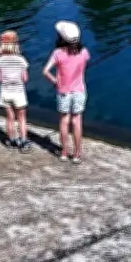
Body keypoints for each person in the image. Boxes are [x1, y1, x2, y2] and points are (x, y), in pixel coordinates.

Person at [43, 20, 90, 164]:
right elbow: (82, 66)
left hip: (63, 92)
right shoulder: (84, 52)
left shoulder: (58, 53)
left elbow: (45, 71)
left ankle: (63, 152)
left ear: (62, 38)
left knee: (64, 121)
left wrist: (55, 81)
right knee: (77, 121)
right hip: (79, 91)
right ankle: (77, 154)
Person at [0, 30, 31, 152]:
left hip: (5, 93)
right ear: (16, 44)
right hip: (19, 93)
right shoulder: (21, 60)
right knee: (21, 118)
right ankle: (24, 141)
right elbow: (25, 79)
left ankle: (11, 140)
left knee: (9, 118)